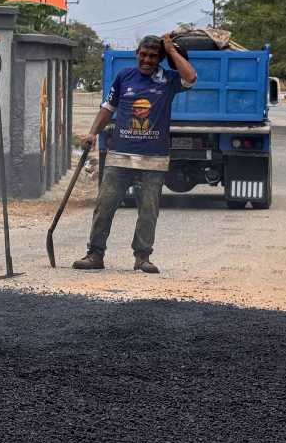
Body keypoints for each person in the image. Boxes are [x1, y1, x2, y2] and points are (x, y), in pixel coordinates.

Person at [73, 34, 197, 274]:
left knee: (148, 211)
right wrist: (92, 133)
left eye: (153, 56)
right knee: (104, 207)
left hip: (154, 159)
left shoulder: (168, 80)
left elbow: (191, 77)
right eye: (143, 55)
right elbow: (107, 108)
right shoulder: (124, 77)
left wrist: (171, 50)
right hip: (120, 156)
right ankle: (95, 254)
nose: (147, 60)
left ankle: (142, 257)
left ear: (159, 59)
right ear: (136, 54)